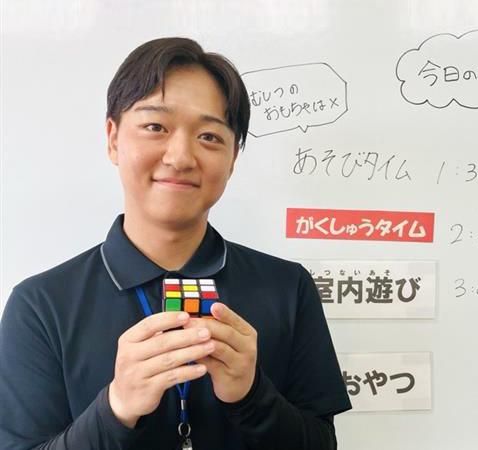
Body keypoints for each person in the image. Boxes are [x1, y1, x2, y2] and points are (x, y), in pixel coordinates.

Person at [0, 37, 351, 450]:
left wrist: (252, 396)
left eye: (210, 136)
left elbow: (322, 443)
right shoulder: (40, 305)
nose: (181, 156)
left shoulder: (289, 287)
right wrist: (116, 409)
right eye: (155, 127)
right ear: (113, 138)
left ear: (233, 158)